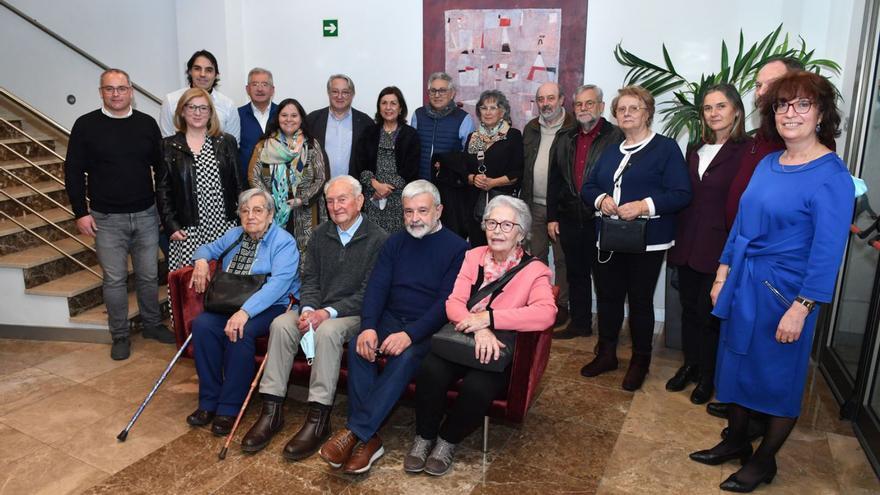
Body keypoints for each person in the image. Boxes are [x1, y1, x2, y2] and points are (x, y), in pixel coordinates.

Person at [690, 72, 854, 493]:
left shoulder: (832, 175)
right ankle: (737, 441)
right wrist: (724, 273)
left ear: (820, 113)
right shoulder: (768, 163)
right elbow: (743, 225)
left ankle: (764, 462)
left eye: (802, 104)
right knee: (737, 367)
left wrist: (802, 308)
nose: (790, 113)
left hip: (786, 295)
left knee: (777, 380)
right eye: (782, 105)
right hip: (744, 284)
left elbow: (828, 251)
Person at [318, 180, 468, 475]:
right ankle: (369, 440)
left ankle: (355, 431)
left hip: (427, 327)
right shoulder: (395, 242)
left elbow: (445, 304)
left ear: (439, 210)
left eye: (422, 211)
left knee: (407, 357)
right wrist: (369, 327)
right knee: (361, 348)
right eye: (409, 211)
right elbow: (376, 287)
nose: (415, 218)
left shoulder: (458, 248)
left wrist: (410, 335)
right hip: (389, 318)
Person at [406, 195, 556, 476]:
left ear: (521, 233)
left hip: (496, 347)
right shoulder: (473, 256)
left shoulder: (535, 271)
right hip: (463, 336)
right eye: (491, 223)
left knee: (478, 388)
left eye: (506, 225)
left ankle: (447, 440)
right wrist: (479, 326)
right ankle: (424, 437)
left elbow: (546, 313)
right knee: (430, 370)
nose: (497, 230)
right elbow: (453, 303)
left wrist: (489, 319)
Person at [240, 176, 388, 460]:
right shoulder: (321, 234)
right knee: (281, 324)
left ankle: (318, 418)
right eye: (330, 201)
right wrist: (308, 309)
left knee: (328, 331)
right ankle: (272, 410)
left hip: (355, 313)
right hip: (318, 307)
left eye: (342, 199)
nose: (335, 206)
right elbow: (309, 279)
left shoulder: (378, 239)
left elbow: (370, 292)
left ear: (359, 201)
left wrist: (326, 313)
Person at [707, 56, 805, 421]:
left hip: (774, 271)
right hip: (740, 256)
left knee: (768, 355)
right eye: (760, 86)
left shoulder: (794, 148)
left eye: (769, 85)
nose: (761, 93)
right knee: (738, 347)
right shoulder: (758, 144)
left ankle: (756, 422)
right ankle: (739, 412)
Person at [581, 85, 691, 391]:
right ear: (615, 115)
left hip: (647, 240)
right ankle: (606, 354)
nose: (627, 114)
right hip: (609, 238)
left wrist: (644, 206)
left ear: (648, 113)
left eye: (634, 108)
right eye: (621, 110)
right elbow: (588, 186)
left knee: (640, 302)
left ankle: (640, 361)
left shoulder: (666, 148)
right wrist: (601, 198)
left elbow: (681, 194)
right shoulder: (610, 148)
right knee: (608, 298)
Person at [65, 68, 174, 360]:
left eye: (121, 88)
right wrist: (80, 212)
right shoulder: (86, 125)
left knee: (149, 275)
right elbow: (73, 172)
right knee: (114, 280)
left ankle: (151, 325)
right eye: (110, 89)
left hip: (146, 214)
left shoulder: (146, 124)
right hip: (106, 219)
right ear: (101, 92)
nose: (116, 94)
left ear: (131, 92)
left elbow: (161, 169)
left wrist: (164, 212)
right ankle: (120, 334)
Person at [185, 189, 301, 437]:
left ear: (271, 215)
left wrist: (245, 312)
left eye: (258, 210)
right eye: (245, 210)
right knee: (203, 326)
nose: (250, 216)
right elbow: (206, 249)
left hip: (271, 305)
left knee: (240, 331)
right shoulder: (234, 235)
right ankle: (208, 402)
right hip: (230, 302)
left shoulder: (283, 242)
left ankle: (229, 407)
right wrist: (202, 261)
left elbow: (278, 285)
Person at [665, 84, 752, 405]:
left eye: (721, 106)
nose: (713, 113)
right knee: (688, 309)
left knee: (710, 314)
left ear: (737, 111)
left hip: (720, 246)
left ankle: (708, 375)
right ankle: (689, 364)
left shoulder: (747, 152)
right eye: (707, 108)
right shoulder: (695, 148)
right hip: (686, 241)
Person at [547, 84, 623, 339]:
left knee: (606, 280)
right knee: (576, 274)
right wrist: (552, 217)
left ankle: (607, 333)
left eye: (589, 103)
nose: (583, 108)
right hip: (569, 218)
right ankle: (580, 324)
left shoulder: (617, 136)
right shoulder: (564, 137)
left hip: (601, 219)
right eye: (579, 104)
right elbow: (554, 179)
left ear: (601, 107)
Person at [156, 88, 241, 275]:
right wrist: (170, 225)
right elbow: (163, 190)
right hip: (188, 230)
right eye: (192, 107)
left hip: (224, 227)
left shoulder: (226, 142)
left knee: (225, 284)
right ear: (182, 111)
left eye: (203, 108)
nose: (197, 113)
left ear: (211, 113)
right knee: (190, 290)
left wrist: (241, 220)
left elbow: (238, 184)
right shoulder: (168, 146)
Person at [521, 82, 575, 328]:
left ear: (562, 99)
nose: (546, 103)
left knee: (564, 260)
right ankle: (540, 302)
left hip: (562, 209)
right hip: (533, 205)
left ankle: (562, 304)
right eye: (541, 99)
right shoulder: (530, 128)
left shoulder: (572, 128)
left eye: (551, 98)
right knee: (536, 258)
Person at [248, 98, 327, 255]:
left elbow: (321, 178)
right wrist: (269, 200)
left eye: (294, 115)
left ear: (301, 119)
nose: (289, 119)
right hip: (272, 210)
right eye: (284, 115)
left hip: (306, 211)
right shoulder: (264, 145)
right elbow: (253, 176)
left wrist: (301, 199)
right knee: (276, 253)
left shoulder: (311, 145)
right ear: (277, 118)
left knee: (306, 255)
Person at [352, 86, 420, 233]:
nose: (388, 107)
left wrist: (387, 188)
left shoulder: (411, 134)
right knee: (373, 240)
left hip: (399, 199)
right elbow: (360, 164)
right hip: (373, 197)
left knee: (397, 242)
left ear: (400, 108)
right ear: (379, 107)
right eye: (384, 103)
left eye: (393, 103)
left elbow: (411, 169)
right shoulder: (369, 132)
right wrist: (375, 185)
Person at [462, 90, 524, 246]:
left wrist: (492, 182)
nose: (487, 112)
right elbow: (464, 169)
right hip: (475, 206)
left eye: (493, 108)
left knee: (501, 248)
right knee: (478, 250)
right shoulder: (473, 137)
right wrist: (473, 178)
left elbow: (517, 172)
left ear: (502, 112)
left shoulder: (513, 135)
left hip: (502, 205)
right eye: (484, 108)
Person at [159, 50, 240, 143]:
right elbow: (167, 141)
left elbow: (233, 144)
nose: (202, 74)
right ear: (189, 71)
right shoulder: (170, 100)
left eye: (209, 70)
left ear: (216, 75)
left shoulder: (228, 105)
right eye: (197, 69)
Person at [305, 74, 373, 178]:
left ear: (352, 94)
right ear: (328, 93)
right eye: (335, 91)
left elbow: (371, 159)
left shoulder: (366, 123)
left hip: (353, 188)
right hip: (320, 189)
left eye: (345, 92)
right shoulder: (312, 120)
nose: (339, 96)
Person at [412, 72, 475, 181]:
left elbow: (468, 157)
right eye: (433, 90)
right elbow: (411, 150)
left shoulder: (464, 118)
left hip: (449, 184)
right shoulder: (418, 114)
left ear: (452, 94)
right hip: (420, 181)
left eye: (442, 91)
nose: (437, 95)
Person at [238, 67, 278, 178]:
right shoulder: (237, 115)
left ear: (272, 90)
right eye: (255, 84)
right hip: (248, 184)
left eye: (265, 84)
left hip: (280, 183)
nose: (260, 89)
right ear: (247, 89)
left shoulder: (283, 114)